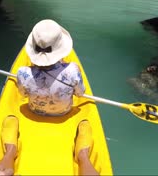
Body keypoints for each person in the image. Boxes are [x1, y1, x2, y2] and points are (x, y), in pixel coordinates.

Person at [16, 19, 99, 175]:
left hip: (35, 112)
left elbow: (23, 94)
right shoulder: (73, 70)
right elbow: (80, 93)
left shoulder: (22, 72)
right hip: (63, 113)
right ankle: (82, 156)